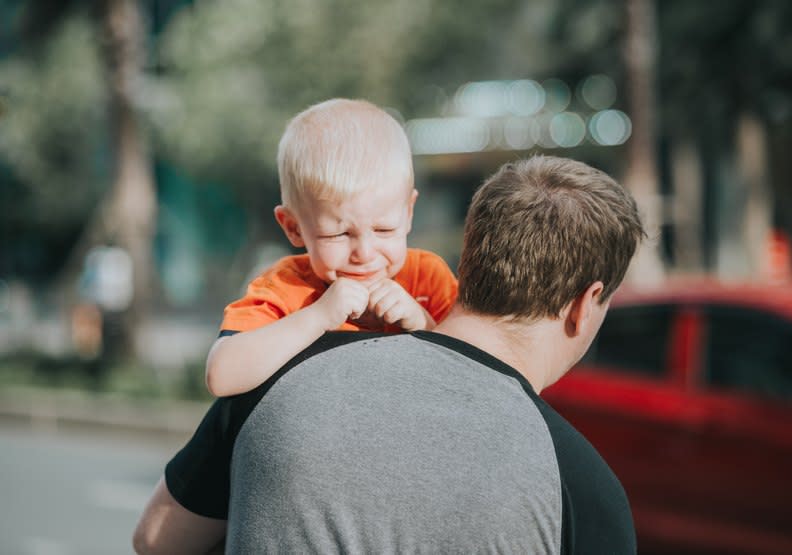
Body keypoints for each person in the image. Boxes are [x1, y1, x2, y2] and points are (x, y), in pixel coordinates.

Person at [134, 155, 645, 554]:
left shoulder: (280, 377)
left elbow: (156, 540)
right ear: (583, 306)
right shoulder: (583, 488)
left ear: (470, 260)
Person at [204, 98, 458, 397]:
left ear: (409, 213)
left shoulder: (427, 278)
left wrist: (423, 323)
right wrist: (317, 316)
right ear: (293, 227)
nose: (364, 253)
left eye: (384, 229)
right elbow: (222, 377)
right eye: (337, 234)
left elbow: (475, 374)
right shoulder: (285, 288)